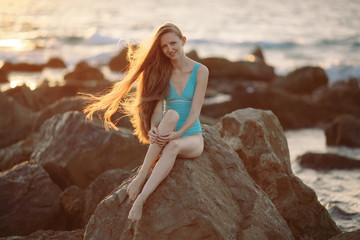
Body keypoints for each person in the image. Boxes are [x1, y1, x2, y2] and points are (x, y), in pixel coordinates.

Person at [81, 22, 209, 222]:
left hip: (191, 137)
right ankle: (141, 176)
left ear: (183, 41)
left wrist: (177, 133)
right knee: (171, 115)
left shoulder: (201, 71)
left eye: (173, 43)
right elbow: (158, 108)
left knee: (174, 144)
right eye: (164, 47)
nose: (169, 49)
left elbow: (195, 112)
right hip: (167, 131)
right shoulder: (163, 72)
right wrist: (152, 129)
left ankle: (141, 199)